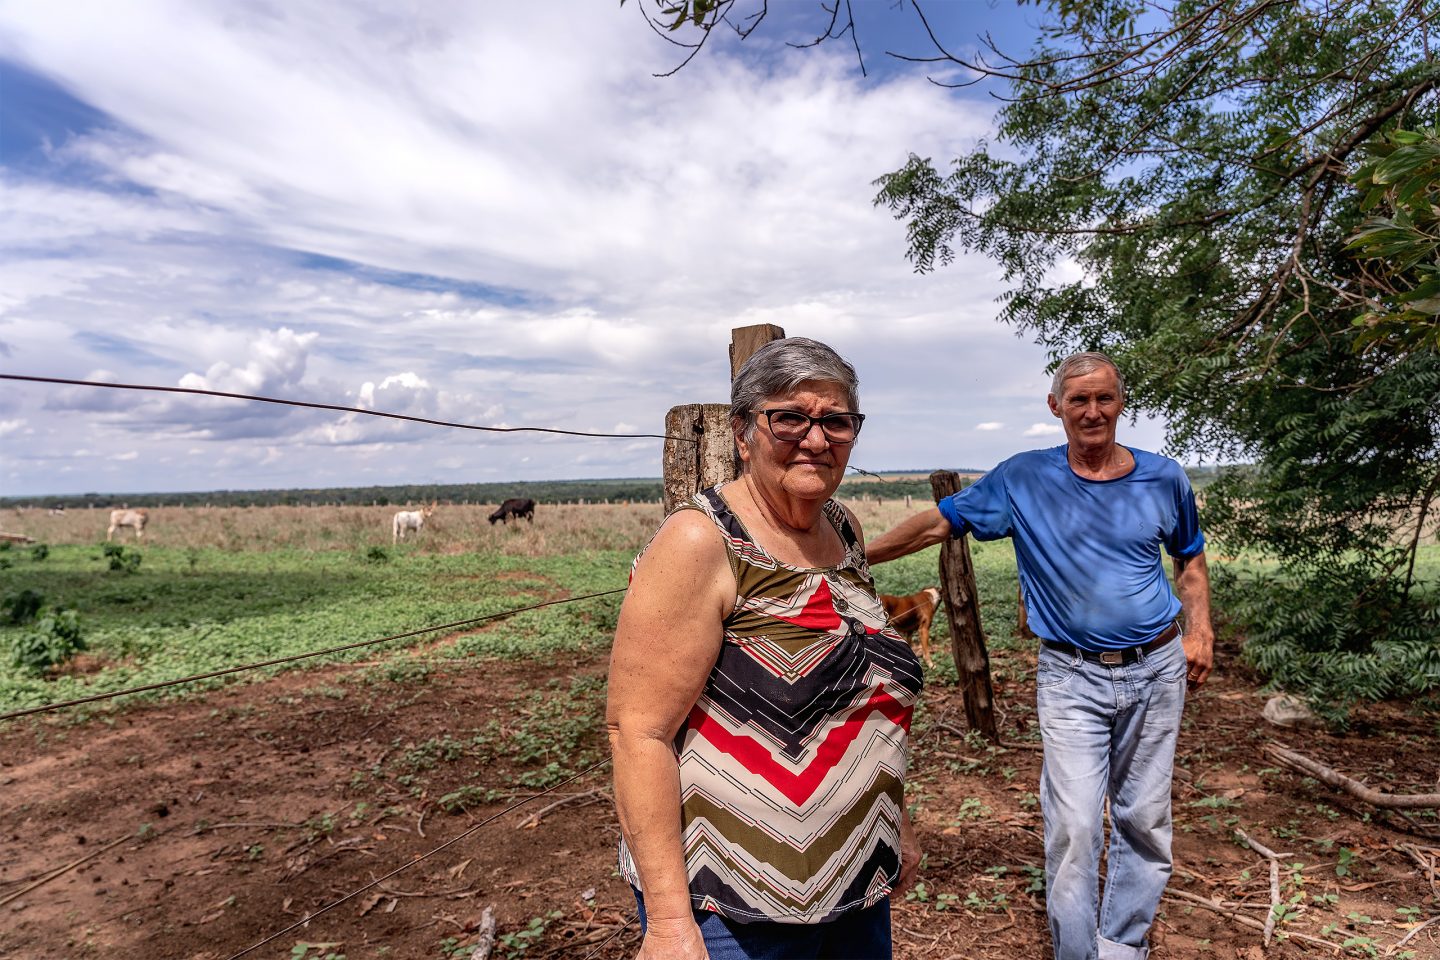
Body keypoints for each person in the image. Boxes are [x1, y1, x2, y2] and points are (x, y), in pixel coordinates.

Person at [866, 352, 1214, 960]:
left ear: (1120, 404)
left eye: (1104, 398)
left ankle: (1123, 945)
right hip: (1072, 675)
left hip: (1158, 668)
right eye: (1078, 400)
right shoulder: (1022, 478)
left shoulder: (1164, 477)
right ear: (1056, 408)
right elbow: (933, 527)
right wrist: (845, 559)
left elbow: (1190, 558)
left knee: (1145, 820)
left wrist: (1201, 632)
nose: (1092, 411)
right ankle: (1077, 952)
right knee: (1076, 825)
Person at [607, 337, 924, 960]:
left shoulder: (842, 528)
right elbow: (636, 733)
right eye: (790, 418)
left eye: (836, 420)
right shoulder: (701, 542)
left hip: (856, 889)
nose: (816, 438)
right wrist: (671, 924)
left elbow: (860, 695)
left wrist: (896, 823)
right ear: (743, 431)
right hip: (732, 909)